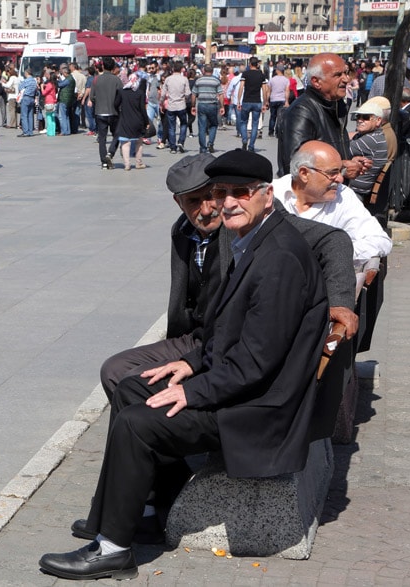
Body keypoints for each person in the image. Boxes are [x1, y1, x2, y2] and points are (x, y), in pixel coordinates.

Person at [39, 150, 331, 581]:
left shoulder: (279, 258)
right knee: (132, 388)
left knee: (138, 423)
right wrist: (191, 364)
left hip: (259, 411)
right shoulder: (256, 239)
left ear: (267, 195)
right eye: (221, 192)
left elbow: (256, 363)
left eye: (240, 192)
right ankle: (130, 516)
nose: (227, 202)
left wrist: (192, 390)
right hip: (243, 390)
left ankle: (113, 550)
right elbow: (231, 334)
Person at [274, 140, 392, 272]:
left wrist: (333, 253)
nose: (340, 179)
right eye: (332, 173)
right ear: (304, 173)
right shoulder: (271, 194)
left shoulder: (343, 196)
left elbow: (380, 240)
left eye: (341, 171)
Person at [277, 53, 372, 178]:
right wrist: (342, 167)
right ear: (316, 82)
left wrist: (350, 160)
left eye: (345, 73)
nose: (346, 79)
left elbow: (333, 149)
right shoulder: (301, 111)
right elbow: (295, 164)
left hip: (333, 187)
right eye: (338, 75)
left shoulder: (336, 105)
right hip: (315, 190)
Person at [348, 102, 393, 204]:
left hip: (355, 190)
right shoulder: (373, 136)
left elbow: (340, 151)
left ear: (378, 120)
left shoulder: (371, 140)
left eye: (366, 117)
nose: (360, 120)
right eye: (358, 116)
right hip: (355, 186)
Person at [87, 57, 121, 169]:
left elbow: (92, 96)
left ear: (102, 66)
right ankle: (110, 153)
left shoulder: (96, 79)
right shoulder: (117, 80)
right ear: (113, 67)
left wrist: (99, 100)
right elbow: (121, 95)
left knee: (102, 138)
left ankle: (104, 163)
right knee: (117, 134)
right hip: (114, 112)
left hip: (100, 112)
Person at [113, 73, 150, 171]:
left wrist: (120, 111)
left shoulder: (122, 91)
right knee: (139, 142)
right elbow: (143, 109)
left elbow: (115, 104)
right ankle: (138, 163)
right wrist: (146, 121)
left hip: (125, 120)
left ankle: (127, 164)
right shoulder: (140, 93)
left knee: (125, 142)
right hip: (138, 121)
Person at [237, 57, 269, 152]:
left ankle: (244, 140)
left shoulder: (245, 74)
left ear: (250, 64)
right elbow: (264, 90)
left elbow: (241, 87)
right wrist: (265, 103)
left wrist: (238, 101)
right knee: (255, 124)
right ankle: (251, 146)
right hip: (257, 101)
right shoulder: (261, 75)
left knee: (243, 122)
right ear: (257, 64)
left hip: (246, 101)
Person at [191, 64, 224, 154]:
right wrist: (222, 106)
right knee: (213, 125)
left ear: (204, 71)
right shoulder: (216, 81)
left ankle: (203, 148)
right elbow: (221, 94)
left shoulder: (199, 80)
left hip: (202, 104)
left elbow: (193, 94)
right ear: (212, 71)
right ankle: (210, 143)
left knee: (202, 126)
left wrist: (193, 106)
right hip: (212, 105)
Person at [160, 62, 190, 153]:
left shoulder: (168, 79)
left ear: (173, 69)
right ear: (181, 69)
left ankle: (173, 147)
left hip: (171, 106)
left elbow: (163, 94)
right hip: (181, 105)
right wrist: (184, 98)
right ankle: (181, 142)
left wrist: (161, 103)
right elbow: (188, 93)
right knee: (183, 124)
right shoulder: (184, 79)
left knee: (171, 127)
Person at [267, 66, 290, 138]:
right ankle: (278, 132)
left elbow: (269, 91)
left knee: (273, 116)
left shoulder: (272, 79)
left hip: (273, 99)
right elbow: (287, 91)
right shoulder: (286, 80)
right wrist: (287, 101)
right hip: (282, 99)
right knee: (280, 117)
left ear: (277, 71)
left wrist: (267, 101)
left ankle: (271, 131)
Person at [17, 68, 38, 137]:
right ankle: (30, 131)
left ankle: (25, 131)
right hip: (32, 98)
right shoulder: (34, 81)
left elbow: (20, 88)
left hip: (26, 97)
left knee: (24, 115)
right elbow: (36, 90)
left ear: (27, 73)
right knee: (30, 115)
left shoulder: (26, 81)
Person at [56, 64, 76, 136]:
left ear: (65, 73)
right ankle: (67, 130)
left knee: (62, 116)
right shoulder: (71, 79)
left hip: (64, 99)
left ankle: (64, 131)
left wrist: (57, 80)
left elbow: (60, 85)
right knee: (66, 116)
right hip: (69, 99)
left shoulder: (68, 80)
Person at [41, 71, 57, 137]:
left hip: (49, 101)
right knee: (53, 117)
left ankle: (50, 132)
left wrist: (42, 87)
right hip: (53, 101)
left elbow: (44, 93)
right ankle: (53, 131)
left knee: (49, 117)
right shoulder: (54, 84)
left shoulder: (50, 84)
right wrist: (45, 85)